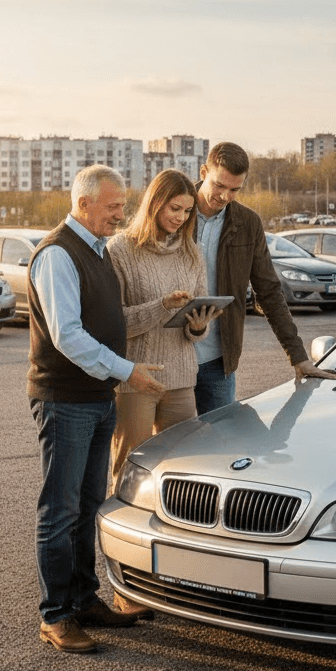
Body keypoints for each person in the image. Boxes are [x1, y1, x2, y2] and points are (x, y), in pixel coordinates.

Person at [28, 164, 166, 654]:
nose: (120, 214)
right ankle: (56, 615)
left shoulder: (98, 251)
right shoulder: (57, 255)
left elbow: (108, 323)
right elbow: (67, 336)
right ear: (83, 204)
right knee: (60, 510)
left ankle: (84, 599)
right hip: (65, 403)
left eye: (122, 205)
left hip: (97, 399)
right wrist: (127, 371)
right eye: (112, 206)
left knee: (89, 506)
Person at [107, 168, 220, 513]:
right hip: (136, 377)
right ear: (154, 204)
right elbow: (115, 325)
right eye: (174, 209)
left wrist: (199, 326)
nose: (181, 218)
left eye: (187, 211)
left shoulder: (191, 251)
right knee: (131, 472)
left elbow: (197, 325)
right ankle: (124, 540)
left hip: (182, 377)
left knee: (184, 472)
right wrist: (162, 307)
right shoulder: (120, 249)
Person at [193, 142, 336, 412]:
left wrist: (298, 356)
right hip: (170, 357)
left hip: (218, 362)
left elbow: (269, 292)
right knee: (165, 450)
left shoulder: (248, 223)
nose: (225, 196)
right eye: (219, 186)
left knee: (221, 448)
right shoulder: (173, 209)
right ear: (203, 172)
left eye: (234, 189)